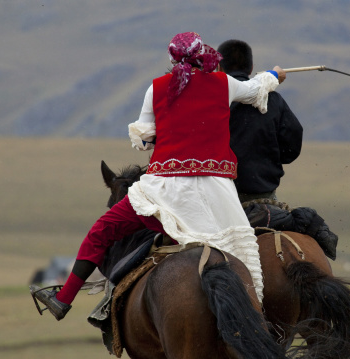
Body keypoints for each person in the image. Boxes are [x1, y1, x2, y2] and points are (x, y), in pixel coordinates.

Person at [30, 32, 285, 320]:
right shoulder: (224, 84)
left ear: (172, 59)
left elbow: (142, 138)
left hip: (164, 193)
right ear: (203, 55)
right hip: (216, 197)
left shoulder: (157, 89)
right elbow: (255, 88)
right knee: (240, 257)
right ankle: (258, 317)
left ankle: (63, 299)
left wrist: (158, 137)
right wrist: (274, 74)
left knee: (100, 233)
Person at [217, 39, 303, 203]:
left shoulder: (210, 99)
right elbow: (292, 143)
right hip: (262, 197)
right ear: (251, 68)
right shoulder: (274, 100)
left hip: (218, 196)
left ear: (219, 67)